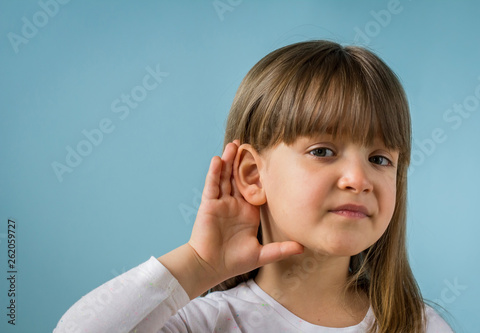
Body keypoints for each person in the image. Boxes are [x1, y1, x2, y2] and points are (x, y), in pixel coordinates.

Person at [54, 40, 453, 332]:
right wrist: (199, 265)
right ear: (252, 175)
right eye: (323, 151)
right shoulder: (206, 323)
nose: (358, 179)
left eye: (380, 159)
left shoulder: (419, 326)